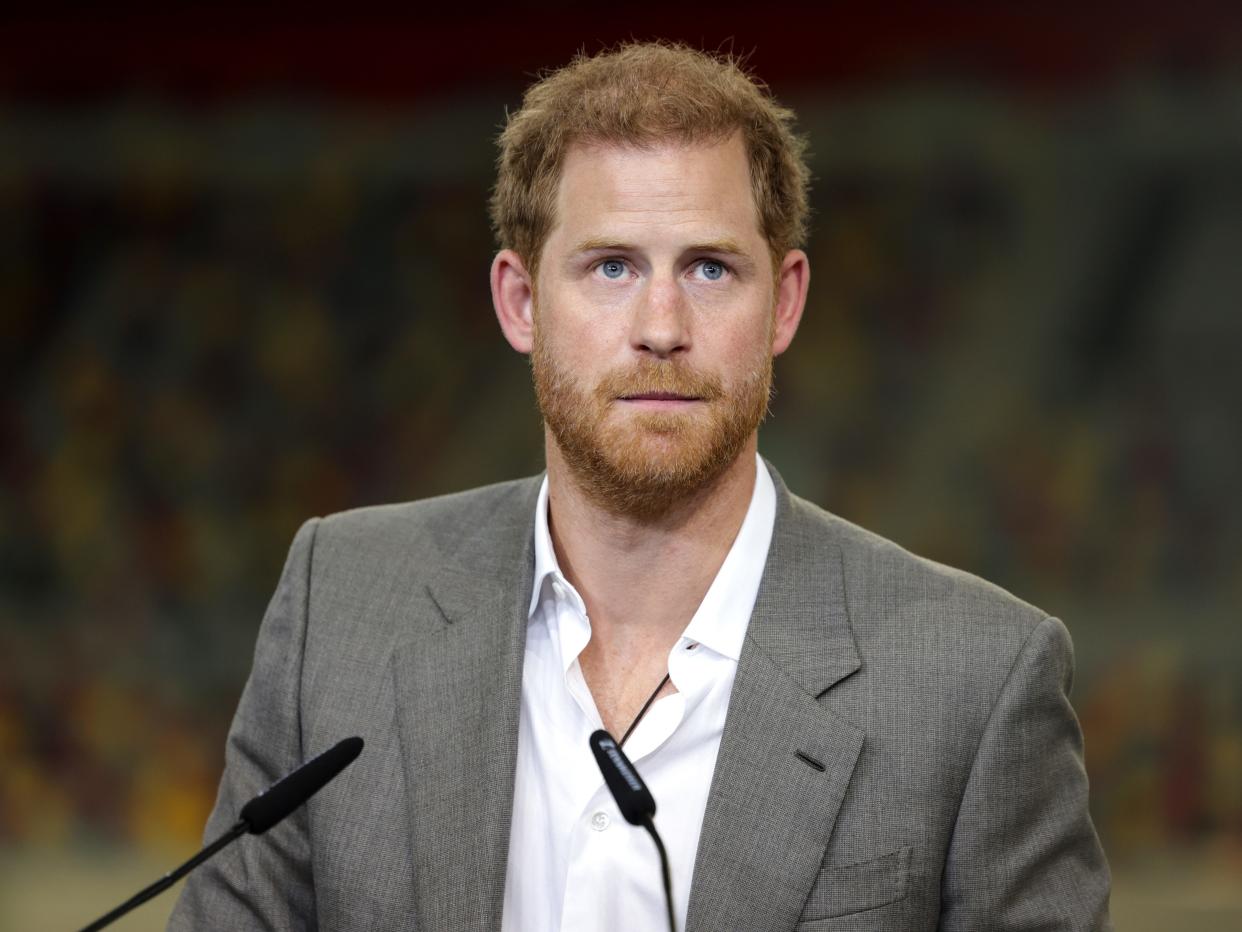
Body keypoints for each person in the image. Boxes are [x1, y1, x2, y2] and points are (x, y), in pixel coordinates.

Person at [169, 42, 1111, 931]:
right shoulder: (339, 604)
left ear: (783, 302)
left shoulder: (978, 683)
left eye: (709, 267)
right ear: (520, 301)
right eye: (611, 266)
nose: (661, 325)